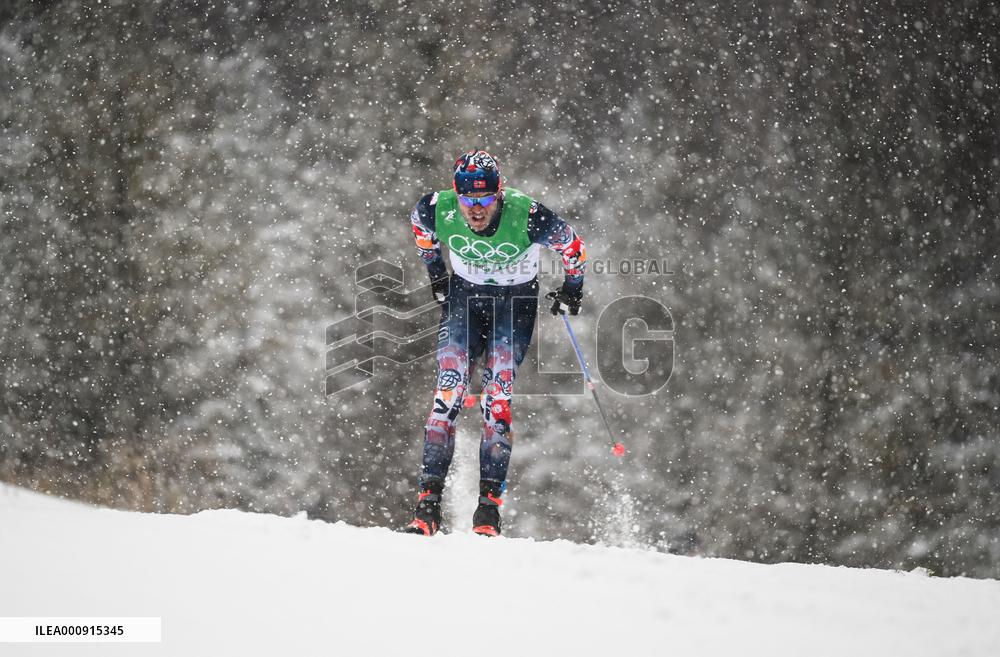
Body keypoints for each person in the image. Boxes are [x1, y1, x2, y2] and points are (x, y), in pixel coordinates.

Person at [404, 149, 587, 536]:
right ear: (457, 193)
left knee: (497, 396)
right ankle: (427, 505)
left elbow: (574, 249)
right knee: (447, 393)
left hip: (514, 303)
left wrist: (572, 289)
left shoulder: (530, 214)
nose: (475, 209)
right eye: (468, 198)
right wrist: (437, 273)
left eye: (485, 198)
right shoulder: (436, 208)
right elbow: (422, 232)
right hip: (465, 300)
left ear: (499, 192)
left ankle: (488, 510)